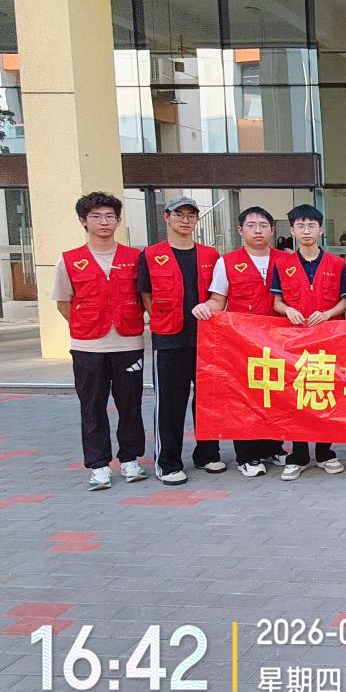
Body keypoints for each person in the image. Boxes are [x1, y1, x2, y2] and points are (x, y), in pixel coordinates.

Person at [53, 192, 147, 491]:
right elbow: (64, 303)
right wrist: (88, 324)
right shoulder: (70, 260)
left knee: (130, 405)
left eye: (109, 216)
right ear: (83, 221)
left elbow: (144, 297)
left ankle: (130, 459)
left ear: (118, 221)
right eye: (96, 216)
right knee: (92, 407)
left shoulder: (135, 258)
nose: (104, 222)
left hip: (128, 343)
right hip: (88, 346)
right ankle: (99, 465)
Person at [137, 196, 224, 485]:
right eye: (179, 215)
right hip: (169, 341)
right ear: (167, 217)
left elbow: (217, 295)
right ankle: (168, 462)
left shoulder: (210, 255)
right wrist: (163, 319)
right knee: (170, 403)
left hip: (206, 340)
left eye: (191, 215)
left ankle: (207, 454)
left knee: (208, 400)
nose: (185, 220)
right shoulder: (151, 255)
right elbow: (146, 294)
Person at [196, 206, 287, 478]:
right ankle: (247, 455)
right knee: (245, 397)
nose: (258, 230)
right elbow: (218, 299)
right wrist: (205, 308)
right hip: (242, 343)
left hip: (279, 341)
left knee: (276, 393)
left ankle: (273, 446)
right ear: (240, 230)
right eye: (251, 225)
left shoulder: (286, 260)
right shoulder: (227, 262)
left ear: (272, 230)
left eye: (263, 225)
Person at [271, 204, 346, 481]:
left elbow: (345, 301)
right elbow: (277, 301)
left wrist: (328, 313)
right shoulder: (283, 265)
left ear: (321, 230)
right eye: (301, 226)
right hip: (294, 342)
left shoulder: (337, 264)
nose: (307, 231)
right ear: (292, 230)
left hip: (328, 340)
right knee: (296, 396)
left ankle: (325, 452)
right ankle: (298, 455)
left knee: (326, 392)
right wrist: (287, 310)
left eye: (312, 226)